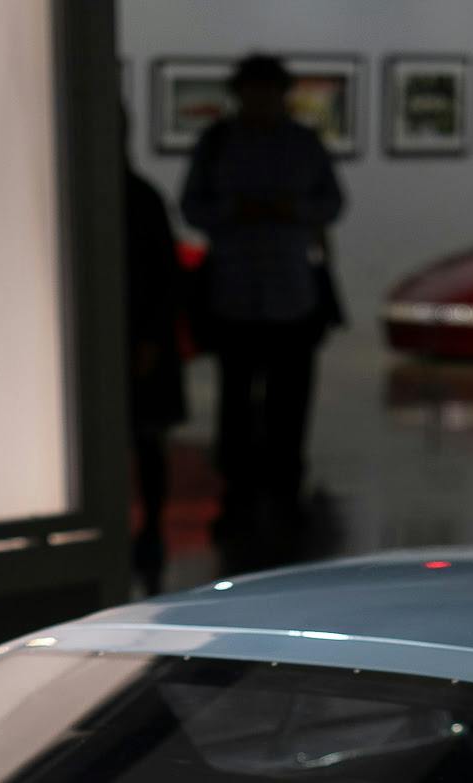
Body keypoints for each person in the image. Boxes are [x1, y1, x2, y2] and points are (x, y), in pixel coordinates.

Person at [179, 53, 343, 559]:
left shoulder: (302, 143)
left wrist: (288, 211)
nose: (261, 101)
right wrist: (239, 211)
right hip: (236, 291)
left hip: (291, 291)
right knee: (236, 392)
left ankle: (284, 478)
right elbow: (193, 206)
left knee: (290, 396)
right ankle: (239, 484)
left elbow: (332, 203)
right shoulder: (218, 143)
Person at [124, 120, 186, 597]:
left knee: (146, 440)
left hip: (139, 336)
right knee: (143, 440)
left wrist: (149, 340)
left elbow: (164, 277)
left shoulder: (138, 198)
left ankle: (149, 528)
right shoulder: (137, 195)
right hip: (138, 336)